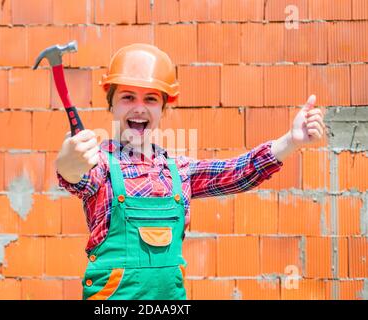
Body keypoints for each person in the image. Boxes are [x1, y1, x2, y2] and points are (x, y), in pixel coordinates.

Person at [55, 43, 325, 300]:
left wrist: (291, 141)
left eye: (150, 98)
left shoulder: (179, 171)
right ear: (111, 105)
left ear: (163, 108)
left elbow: (239, 172)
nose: (139, 107)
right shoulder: (99, 165)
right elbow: (78, 178)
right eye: (128, 97)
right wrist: (69, 163)